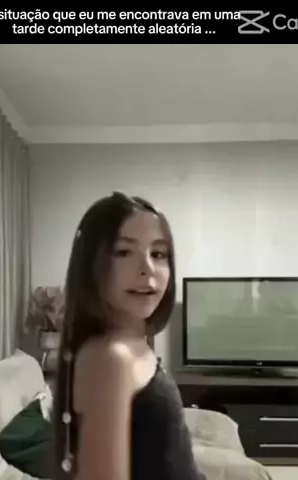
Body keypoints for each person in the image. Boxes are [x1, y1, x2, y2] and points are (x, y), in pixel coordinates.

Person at [52, 192, 206, 480]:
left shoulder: (136, 340)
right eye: (124, 252)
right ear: (91, 264)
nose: (147, 268)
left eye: (158, 254)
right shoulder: (109, 359)